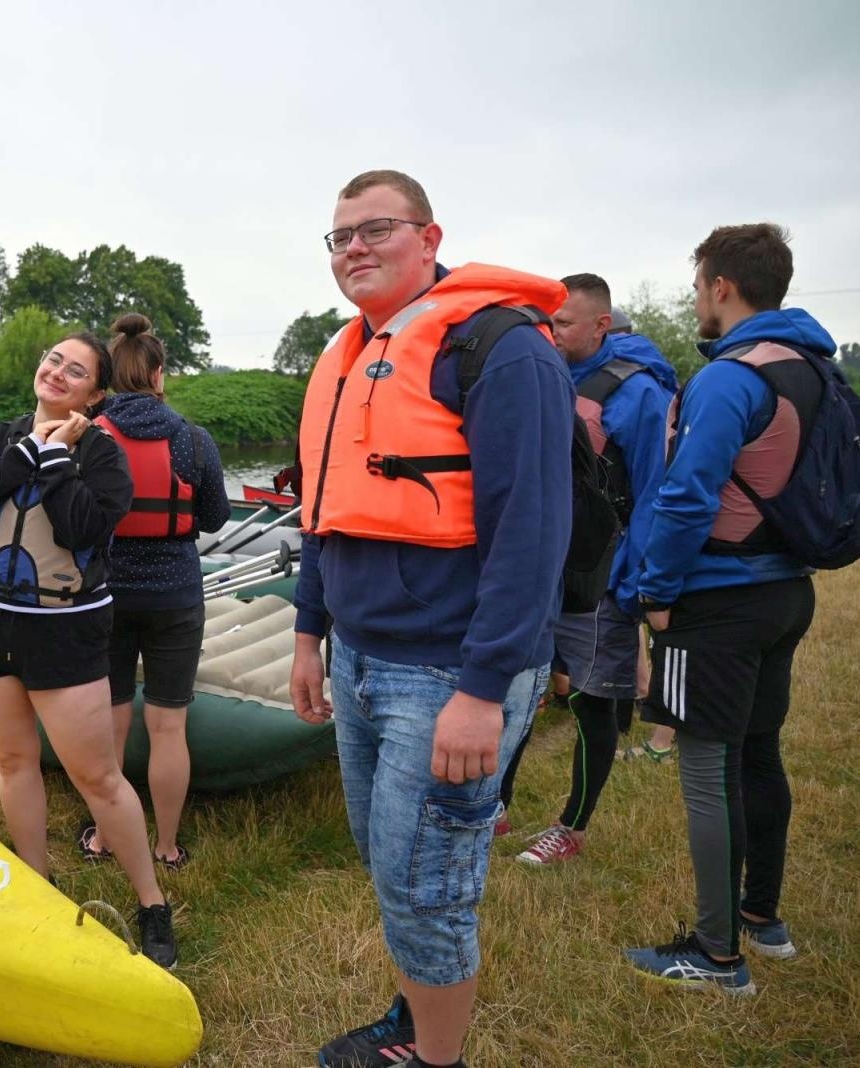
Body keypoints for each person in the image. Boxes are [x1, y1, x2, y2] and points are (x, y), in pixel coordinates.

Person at [290, 170, 572, 1068]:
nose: (354, 249)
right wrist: (308, 632)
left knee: (427, 887)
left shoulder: (502, 348)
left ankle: (434, 1061)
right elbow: (328, 510)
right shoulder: (350, 355)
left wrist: (483, 688)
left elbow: (532, 532)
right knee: (395, 867)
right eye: (339, 237)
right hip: (361, 657)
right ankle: (415, 1018)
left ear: (429, 235)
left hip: (452, 671)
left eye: (376, 230)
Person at [623, 223, 833, 994]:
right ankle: (761, 921)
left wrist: (656, 593)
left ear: (721, 287)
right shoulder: (811, 366)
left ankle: (716, 957)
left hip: (719, 596)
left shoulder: (730, 376)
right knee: (758, 751)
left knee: (705, 767)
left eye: (698, 284)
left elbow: (686, 495)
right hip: (787, 590)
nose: (695, 300)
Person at [0, 331, 178, 968]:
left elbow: (81, 529)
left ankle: (152, 903)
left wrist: (58, 460)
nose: (57, 373)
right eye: (52, 361)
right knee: (13, 761)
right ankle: (36, 886)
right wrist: (28, 451)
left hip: (63, 633)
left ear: (96, 394)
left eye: (76, 371)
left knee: (97, 776)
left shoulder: (103, 457)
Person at [511, 273, 678, 866]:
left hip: (603, 572)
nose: (549, 333)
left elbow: (658, 494)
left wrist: (635, 582)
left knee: (591, 700)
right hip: (541, 564)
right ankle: (495, 806)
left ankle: (572, 829)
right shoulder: (543, 375)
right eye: (547, 321)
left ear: (601, 325)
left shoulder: (638, 392)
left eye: (563, 323)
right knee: (522, 687)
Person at [76, 312, 229, 871]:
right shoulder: (193, 439)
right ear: (159, 373)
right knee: (168, 726)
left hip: (106, 597)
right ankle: (166, 846)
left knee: (111, 720)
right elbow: (212, 519)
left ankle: (105, 836)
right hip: (176, 597)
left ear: (112, 374)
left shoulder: (88, 435)